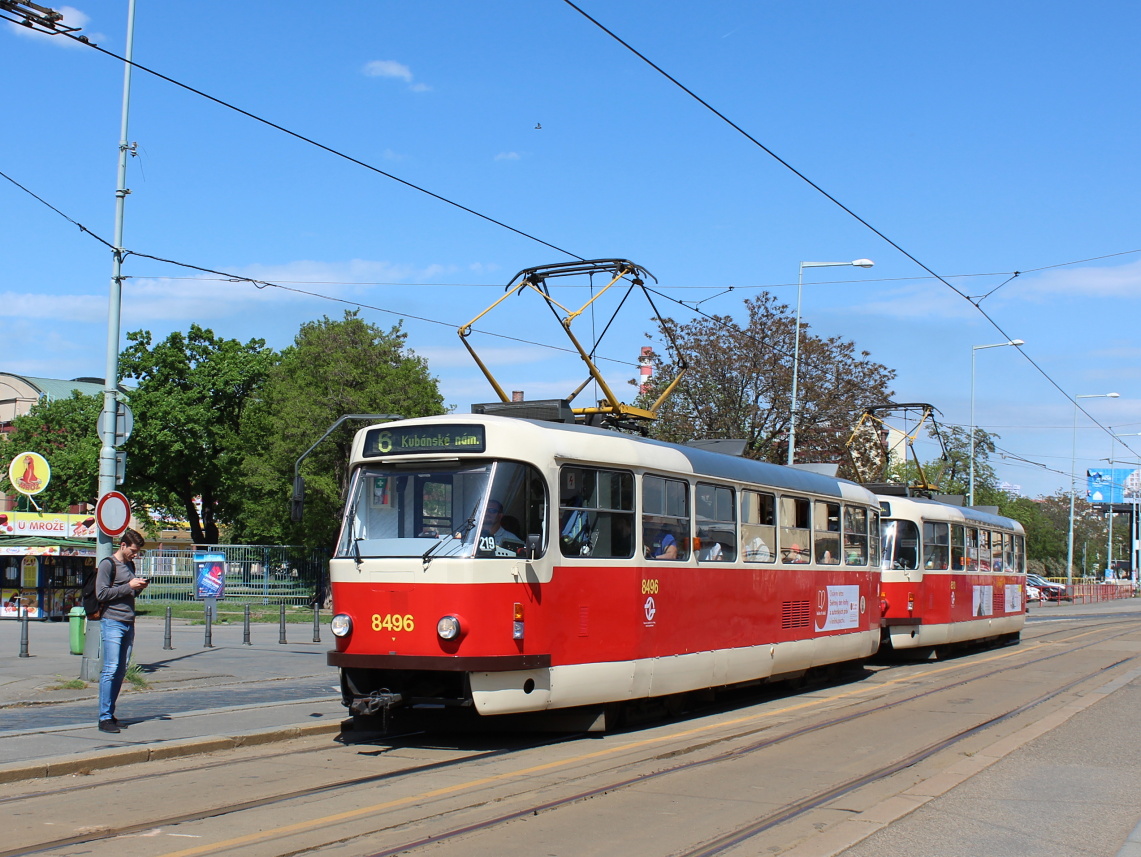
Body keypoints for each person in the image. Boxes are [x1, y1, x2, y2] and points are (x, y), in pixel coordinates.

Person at [96, 528, 148, 733]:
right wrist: (129, 586)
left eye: (137, 552)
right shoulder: (108, 564)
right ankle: (104, 717)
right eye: (132, 550)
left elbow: (127, 591)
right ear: (123, 545)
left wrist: (138, 587)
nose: (135, 554)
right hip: (112, 621)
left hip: (128, 621)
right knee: (111, 668)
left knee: (121, 669)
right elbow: (101, 594)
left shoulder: (130, 565)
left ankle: (110, 713)